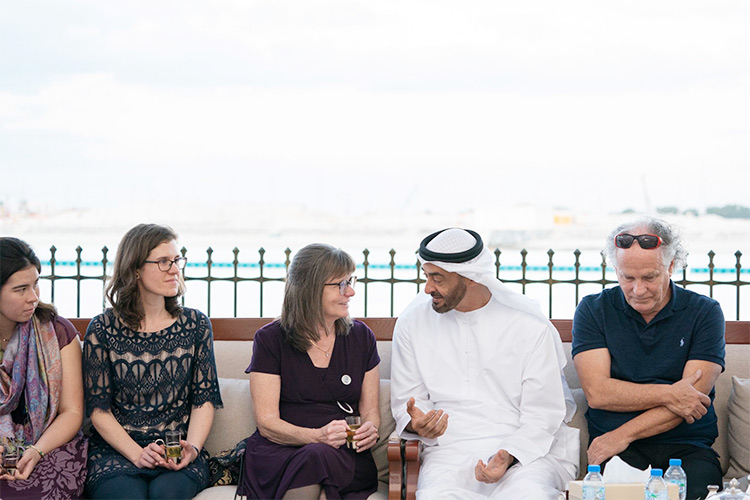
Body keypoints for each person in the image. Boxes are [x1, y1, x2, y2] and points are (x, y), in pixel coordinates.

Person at [391, 228, 579, 500]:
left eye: (437, 278)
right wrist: (418, 423)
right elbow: (409, 400)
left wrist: (508, 455)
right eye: (427, 275)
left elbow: (543, 413)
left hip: (525, 453)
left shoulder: (529, 327)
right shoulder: (412, 323)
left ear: (471, 278)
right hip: (447, 453)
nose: (428, 288)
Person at [572, 217, 725, 499]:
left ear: (670, 266)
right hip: (618, 451)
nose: (638, 290)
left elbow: (692, 400)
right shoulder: (593, 310)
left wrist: (622, 434)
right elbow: (598, 393)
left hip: (686, 448)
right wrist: (671, 393)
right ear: (615, 268)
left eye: (649, 278)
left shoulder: (705, 312)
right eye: (627, 277)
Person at [82, 223, 223, 499]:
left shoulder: (196, 325)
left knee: (166, 494)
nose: (174, 269)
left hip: (176, 449)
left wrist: (192, 448)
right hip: (117, 451)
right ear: (134, 269)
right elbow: (99, 410)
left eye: (176, 260)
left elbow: (203, 399)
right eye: (163, 262)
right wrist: (137, 453)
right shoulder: (102, 328)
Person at [240, 243, 380, 500]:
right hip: (282, 450)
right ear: (310, 289)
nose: (350, 292)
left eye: (351, 281)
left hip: (342, 453)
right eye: (340, 284)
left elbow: (370, 411)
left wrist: (370, 429)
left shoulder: (362, 338)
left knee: (320, 457)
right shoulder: (270, 339)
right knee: (316, 456)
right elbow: (267, 422)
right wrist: (316, 437)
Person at [0, 237, 88, 499]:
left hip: (50, 445)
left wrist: (36, 451)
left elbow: (72, 412)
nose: (34, 298)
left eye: (36, 284)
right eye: (21, 289)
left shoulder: (57, 332)